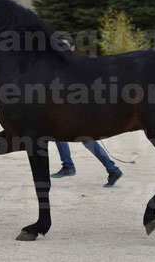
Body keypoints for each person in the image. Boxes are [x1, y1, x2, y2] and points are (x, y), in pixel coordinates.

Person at [50, 39, 123, 187]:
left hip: (81, 111)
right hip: (71, 109)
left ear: (73, 47)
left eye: (64, 45)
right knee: (85, 139)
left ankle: (69, 166)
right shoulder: (61, 64)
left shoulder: (79, 63)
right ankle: (112, 169)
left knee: (62, 134)